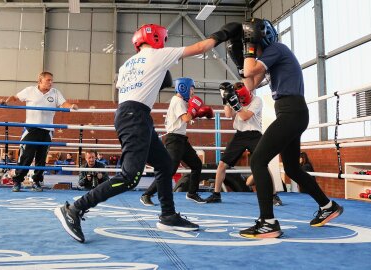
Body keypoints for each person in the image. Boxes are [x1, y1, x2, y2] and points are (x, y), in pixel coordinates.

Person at [54, 22, 239, 243]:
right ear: (157, 39)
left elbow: (133, 89)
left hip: (132, 115)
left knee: (164, 165)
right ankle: (75, 208)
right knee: (130, 177)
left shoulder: (126, 65)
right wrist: (226, 32)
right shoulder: (158, 55)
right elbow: (200, 47)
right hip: (136, 116)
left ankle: (168, 215)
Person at [234, 18, 343, 238]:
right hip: (291, 112)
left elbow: (250, 71)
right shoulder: (270, 57)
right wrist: (241, 62)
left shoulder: (277, 49)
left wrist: (248, 49)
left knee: (257, 160)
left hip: (292, 111)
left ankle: (268, 222)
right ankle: (327, 206)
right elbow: (250, 85)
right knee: (292, 168)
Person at [0, 71, 78, 192]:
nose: (51, 82)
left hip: (47, 130)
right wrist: (6, 101)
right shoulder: (30, 90)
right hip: (31, 128)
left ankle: (37, 182)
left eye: (52, 80)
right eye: (48, 80)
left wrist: (71, 106)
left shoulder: (55, 93)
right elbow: (15, 97)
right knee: (26, 156)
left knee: (41, 158)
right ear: (40, 81)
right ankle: (18, 181)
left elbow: (63, 103)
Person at [140, 77, 213, 206]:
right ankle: (147, 194)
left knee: (196, 164)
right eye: (191, 89)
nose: (193, 92)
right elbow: (186, 118)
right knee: (169, 170)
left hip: (181, 139)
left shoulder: (183, 102)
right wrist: (195, 110)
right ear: (183, 87)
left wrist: (199, 113)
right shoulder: (177, 101)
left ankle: (192, 193)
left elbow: (188, 117)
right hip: (174, 139)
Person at [205, 82, 263, 203]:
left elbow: (245, 116)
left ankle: (273, 196)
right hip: (239, 135)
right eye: (239, 97)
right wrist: (225, 99)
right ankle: (216, 194)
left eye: (242, 97)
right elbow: (228, 114)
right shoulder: (235, 98)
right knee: (222, 165)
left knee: (263, 166)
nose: (241, 99)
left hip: (254, 135)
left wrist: (236, 104)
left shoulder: (257, 100)